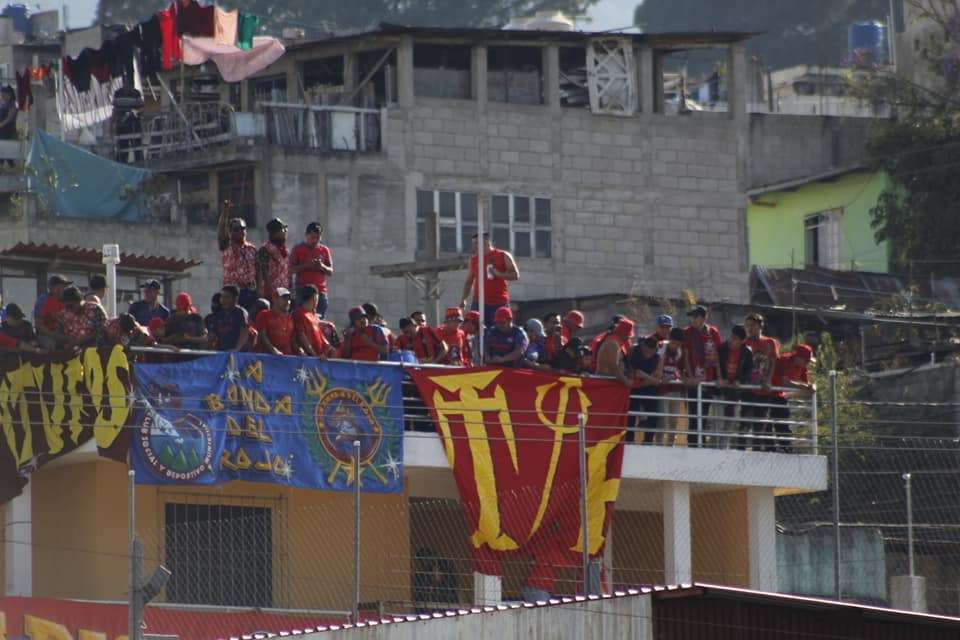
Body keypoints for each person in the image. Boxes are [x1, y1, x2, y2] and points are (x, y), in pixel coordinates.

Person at [683, 305, 722, 446]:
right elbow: (686, 356)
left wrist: (719, 377)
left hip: (708, 379)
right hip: (694, 379)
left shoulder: (713, 332)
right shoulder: (687, 332)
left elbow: (717, 356)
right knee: (694, 414)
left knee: (704, 413)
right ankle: (692, 443)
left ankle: (702, 443)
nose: (693, 320)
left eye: (696, 317)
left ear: (704, 317)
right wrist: (690, 376)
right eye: (692, 317)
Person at [460, 233, 519, 328]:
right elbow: (469, 281)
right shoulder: (474, 259)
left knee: (500, 329)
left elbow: (515, 275)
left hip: (499, 303)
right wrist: (463, 299)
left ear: (485, 242)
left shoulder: (502, 255)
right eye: (474, 244)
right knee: (475, 330)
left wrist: (499, 274)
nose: (474, 246)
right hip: (478, 302)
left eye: (476, 243)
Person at [742, 312, 781, 448]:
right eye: (747, 326)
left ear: (760, 326)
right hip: (748, 390)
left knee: (760, 425)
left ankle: (757, 450)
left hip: (763, 390)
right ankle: (739, 449)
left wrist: (768, 380)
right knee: (744, 423)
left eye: (752, 325)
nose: (749, 328)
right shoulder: (745, 343)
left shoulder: (769, 342)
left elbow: (772, 362)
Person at [769, 344, 816, 452]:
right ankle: (771, 447)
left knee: (783, 419)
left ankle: (785, 446)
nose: (807, 363)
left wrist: (810, 386)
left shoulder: (802, 367)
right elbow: (786, 382)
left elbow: (806, 383)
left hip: (780, 395)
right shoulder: (784, 361)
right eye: (806, 360)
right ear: (798, 357)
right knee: (772, 420)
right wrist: (805, 387)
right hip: (769, 394)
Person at [716, 325, 755, 450]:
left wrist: (740, 381)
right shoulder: (722, 348)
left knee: (730, 420)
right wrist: (719, 379)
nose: (731, 340)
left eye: (735, 338)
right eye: (731, 337)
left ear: (742, 341)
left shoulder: (747, 353)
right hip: (720, 389)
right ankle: (715, 448)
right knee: (718, 420)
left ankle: (724, 447)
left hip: (734, 391)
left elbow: (749, 371)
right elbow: (715, 364)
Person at [217, 201, 258, 312]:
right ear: (230, 231)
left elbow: (257, 271)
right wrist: (225, 213)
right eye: (236, 229)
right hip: (233, 293)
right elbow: (221, 232)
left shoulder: (252, 249)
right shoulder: (228, 246)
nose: (241, 231)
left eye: (243, 228)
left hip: (250, 291)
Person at [289, 222, 333, 318]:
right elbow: (290, 270)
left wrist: (321, 266)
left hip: (320, 293)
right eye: (312, 237)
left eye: (317, 237)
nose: (315, 240)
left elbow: (330, 271)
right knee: (301, 319)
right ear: (306, 235)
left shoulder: (324, 250)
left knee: (318, 321)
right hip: (302, 292)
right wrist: (306, 265)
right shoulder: (298, 249)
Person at [628, 336, 664, 444]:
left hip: (649, 389)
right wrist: (649, 378)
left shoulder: (658, 358)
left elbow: (658, 380)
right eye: (646, 352)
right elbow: (632, 373)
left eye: (651, 353)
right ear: (643, 346)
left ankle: (648, 440)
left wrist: (644, 376)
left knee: (653, 416)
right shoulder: (634, 352)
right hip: (634, 389)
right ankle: (629, 440)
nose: (648, 355)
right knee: (631, 413)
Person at [658, 328, 688, 446]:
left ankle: (671, 445)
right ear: (669, 339)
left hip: (675, 389)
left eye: (678, 344)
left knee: (674, 419)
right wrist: (661, 376)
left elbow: (679, 369)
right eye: (674, 343)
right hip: (662, 390)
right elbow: (656, 366)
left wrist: (678, 377)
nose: (676, 346)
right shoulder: (661, 348)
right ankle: (658, 444)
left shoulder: (680, 351)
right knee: (662, 419)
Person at [256, 288, 300, 356]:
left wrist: (299, 350)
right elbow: (262, 336)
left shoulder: (291, 318)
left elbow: (292, 340)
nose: (288, 302)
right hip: (267, 358)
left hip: (287, 358)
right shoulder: (264, 314)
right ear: (275, 299)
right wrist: (273, 350)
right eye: (284, 298)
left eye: (289, 299)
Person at [294, 285, 334, 359]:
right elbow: (301, 336)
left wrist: (328, 346)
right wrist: (314, 355)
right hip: (310, 359)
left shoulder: (313, 314)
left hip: (320, 357)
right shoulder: (299, 314)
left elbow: (320, 334)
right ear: (314, 298)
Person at [257, 217, 290, 299]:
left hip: (284, 293)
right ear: (275, 233)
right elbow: (262, 272)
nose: (286, 231)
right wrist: (271, 291)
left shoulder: (284, 249)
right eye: (283, 229)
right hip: (271, 294)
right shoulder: (265, 249)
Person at [208, 285, 249, 352]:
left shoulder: (240, 313)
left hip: (238, 354)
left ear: (235, 298)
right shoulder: (218, 315)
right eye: (222, 297)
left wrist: (237, 348)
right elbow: (211, 337)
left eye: (226, 297)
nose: (223, 300)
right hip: (223, 353)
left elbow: (245, 332)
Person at [595, 318, 635, 387]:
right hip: (604, 381)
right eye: (628, 337)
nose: (628, 339)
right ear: (624, 335)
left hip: (608, 380)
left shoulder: (614, 342)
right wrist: (626, 381)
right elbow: (613, 367)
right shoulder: (613, 344)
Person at [36, 274, 71, 347]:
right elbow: (39, 326)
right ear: (50, 287)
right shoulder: (43, 300)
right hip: (46, 335)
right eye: (60, 286)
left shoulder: (67, 300)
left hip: (63, 333)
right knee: (50, 344)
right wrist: (56, 336)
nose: (63, 289)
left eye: (64, 287)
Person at [0, 86, 17, 151]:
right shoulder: (1, 104)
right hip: (1, 132)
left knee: (9, 152)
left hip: (9, 131)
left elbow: (10, 118)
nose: (1, 97)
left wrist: (1, 124)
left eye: (3, 95)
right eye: (0, 95)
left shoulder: (13, 104)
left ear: (9, 95)